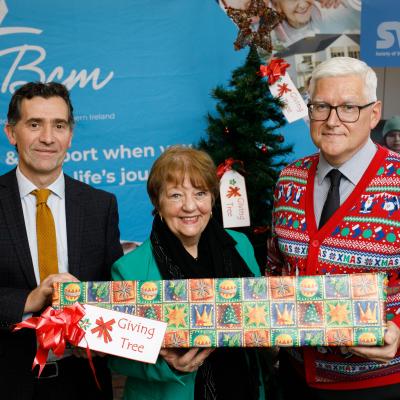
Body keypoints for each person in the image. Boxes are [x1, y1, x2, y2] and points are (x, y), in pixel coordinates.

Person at [267, 56, 400, 399]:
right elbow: (276, 266)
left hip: (379, 384)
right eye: (321, 106)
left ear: (374, 114)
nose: (332, 120)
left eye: (348, 108)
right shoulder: (289, 178)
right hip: (296, 378)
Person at [109, 146, 268, 400]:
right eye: (175, 195)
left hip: (242, 389)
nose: (190, 206)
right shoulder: (130, 268)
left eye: (200, 193)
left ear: (212, 198)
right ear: (157, 202)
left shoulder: (241, 246)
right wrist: (169, 365)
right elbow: (116, 357)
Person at [0, 82, 123, 399]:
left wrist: (99, 339)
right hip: (8, 380)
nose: (47, 137)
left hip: (83, 382)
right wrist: (30, 299)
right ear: (11, 133)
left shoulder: (101, 206)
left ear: (70, 134)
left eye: (59, 125)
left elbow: (114, 293)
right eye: (34, 124)